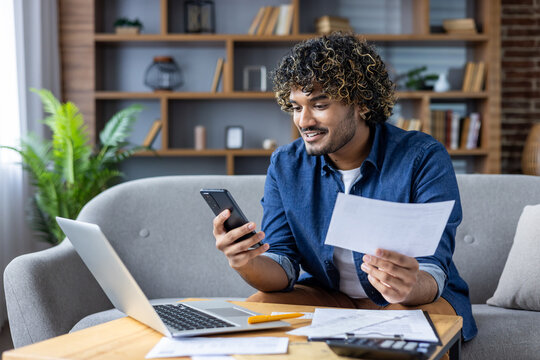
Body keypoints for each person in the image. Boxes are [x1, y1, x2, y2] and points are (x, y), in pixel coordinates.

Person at [212, 33, 477, 342]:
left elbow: (433, 267)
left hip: (410, 300)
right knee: (258, 309)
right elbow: (282, 265)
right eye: (296, 107)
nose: (304, 121)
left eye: (319, 104)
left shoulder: (421, 157)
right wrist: (247, 260)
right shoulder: (286, 165)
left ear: (362, 103)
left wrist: (409, 284)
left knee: (404, 329)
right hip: (328, 297)